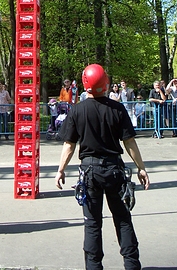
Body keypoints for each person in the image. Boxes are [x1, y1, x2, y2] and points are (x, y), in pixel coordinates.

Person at [55, 64, 149, 270]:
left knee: (92, 223)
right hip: (115, 170)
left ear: (85, 84)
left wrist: (61, 170)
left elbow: (69, 145)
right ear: (105, 83)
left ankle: (94, 266)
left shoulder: (77, 111)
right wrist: (141, 168)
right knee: (123, 220)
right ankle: (132, 265)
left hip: (89, 173)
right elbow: (129, 142)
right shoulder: (117, 109)